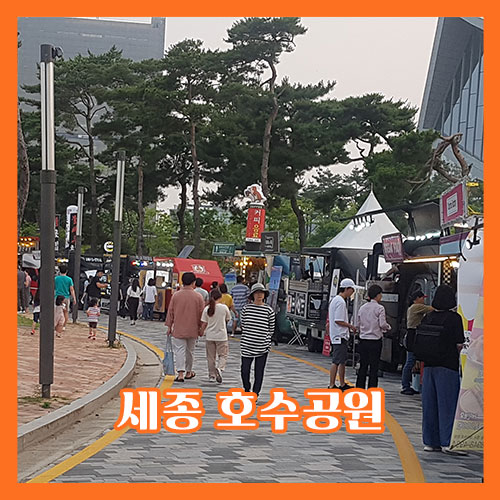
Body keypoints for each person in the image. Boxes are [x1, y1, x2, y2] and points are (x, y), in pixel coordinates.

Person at [419, 284, 466, 455]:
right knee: (447, 404)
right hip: (447, 366)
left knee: (429, 405)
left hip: (428, 366)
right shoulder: (454, 319)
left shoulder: (428, 317)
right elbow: (459, 343)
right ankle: (447, 441)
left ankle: (430, 441)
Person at [165, 272, 205, 382]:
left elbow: (170, 311)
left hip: (179, 328)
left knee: (179, 350)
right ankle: (189, 371)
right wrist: (201, 328)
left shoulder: (176, 295)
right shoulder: (198, 296)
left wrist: (169, 326)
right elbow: (202, 314)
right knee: (190, 351)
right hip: (193, 328)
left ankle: (180, 373)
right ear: (194, 282)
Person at [240, 283, 275, 402]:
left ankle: (255, 393)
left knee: (259, 372)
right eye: (257, 293)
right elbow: (243, 324)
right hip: (247, 345)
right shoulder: (246, 309)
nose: (259, 295)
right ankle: (247, 388)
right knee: (244, 370)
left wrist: (266, 340)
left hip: (262, 346)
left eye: (261, 293)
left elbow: (271, 328)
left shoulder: (269, 310)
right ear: (253, 295)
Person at [355, 284, 391, 389]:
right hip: (375, 341)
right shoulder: (380, 308)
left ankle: (359, 388)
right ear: (377, 295)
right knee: (374, 367)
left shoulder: (362, 308)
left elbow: (357, 324)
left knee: (363, 365)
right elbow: (382, 324)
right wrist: (388, 327)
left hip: (363, 340)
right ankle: (372, 388)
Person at [401, 290, 433, 395]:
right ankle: (405, 385)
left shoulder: (412, 307)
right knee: (410, 361)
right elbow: (432, 309)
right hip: (413, 335)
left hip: (412, 334)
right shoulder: (416, 307)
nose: (423, 300)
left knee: (412, 361)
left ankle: (410, 385)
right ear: (417, 299)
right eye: (422, 298)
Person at [329, 278, 357, 391]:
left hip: (337, 335)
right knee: (336, 361)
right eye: (352, 290)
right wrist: (351, 326)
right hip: (339, 335)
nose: (352, 292)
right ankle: (332, 384)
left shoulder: (335, 300)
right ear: (346, 289)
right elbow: (338, 320)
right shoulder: (340, 302)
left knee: (341, 361)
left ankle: (341, 383)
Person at [200, 288, 231, 383]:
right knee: (223, 355)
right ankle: (220, 368)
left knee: (210, 357)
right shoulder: (224, 308)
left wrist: (201, 332)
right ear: (220, 297)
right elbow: (228, 319)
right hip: (221, 336)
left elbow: (204, 323)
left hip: (210, 336)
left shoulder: (207, 309)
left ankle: (212, 375)